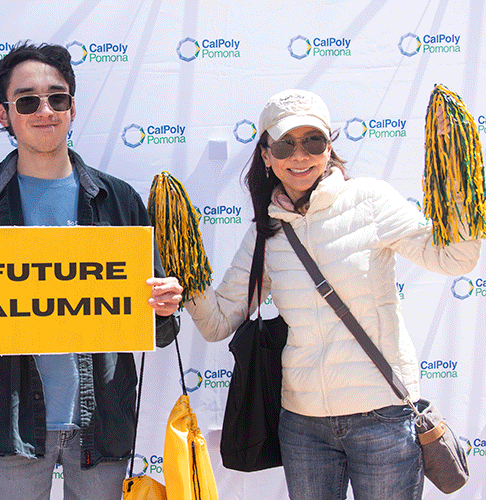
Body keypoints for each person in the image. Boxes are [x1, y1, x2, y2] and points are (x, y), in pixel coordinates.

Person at [184, 89, 481, 500]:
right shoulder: (266, 232)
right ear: (266, 155)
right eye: (286, 144)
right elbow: (218, 322)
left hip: (383, 416)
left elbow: (455, 258)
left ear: (329, 147)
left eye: (313, 142)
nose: (299, 156)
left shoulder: (370, 201)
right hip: (303, 424)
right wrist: (182, 270)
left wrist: (455, 170)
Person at [0, 42, 183, 500]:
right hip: (13, 425)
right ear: (4, 114)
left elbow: (160, 331)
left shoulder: (118, 201)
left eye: (57, 98)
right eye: (27, 101)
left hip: (101, 422)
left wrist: (162, 308)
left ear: (72, 107)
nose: (45, 110)